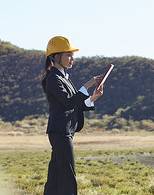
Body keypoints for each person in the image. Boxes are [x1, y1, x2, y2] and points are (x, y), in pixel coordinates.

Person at [41, 36, 103, 195]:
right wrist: (87, 85)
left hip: (63, 131)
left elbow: (74, 105)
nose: (72, 59)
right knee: (68, 175)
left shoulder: (63, 77)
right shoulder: (53, 78)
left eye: (72, 55)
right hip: (61, 132)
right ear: (56, 57)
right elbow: (68, 102)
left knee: (55, 175)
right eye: (68, 55)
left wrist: (93, 96)